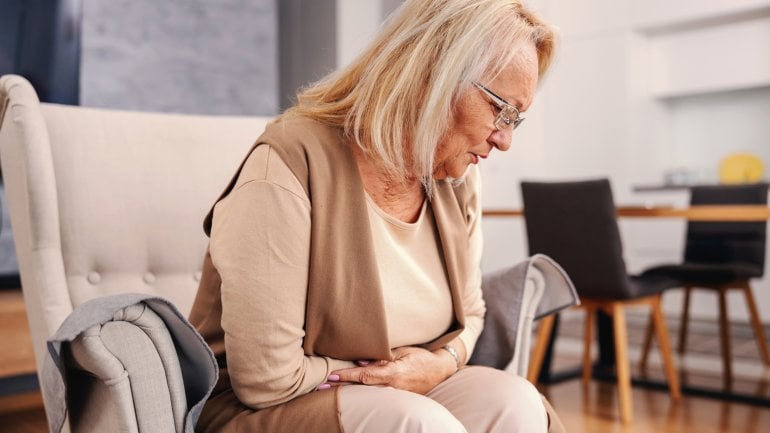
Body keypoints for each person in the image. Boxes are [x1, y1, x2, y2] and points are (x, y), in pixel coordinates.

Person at [189, 0, 561, 432]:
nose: (505, 139)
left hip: (403, 397)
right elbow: (266, 381)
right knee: (419, 424)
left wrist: (441, 363)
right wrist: (384, 376)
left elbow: (473, 312)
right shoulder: (289, 165)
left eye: (518, 119)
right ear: (434, 75)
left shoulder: (457, 177)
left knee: (514, 402)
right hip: (262, 410)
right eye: (503, 110)